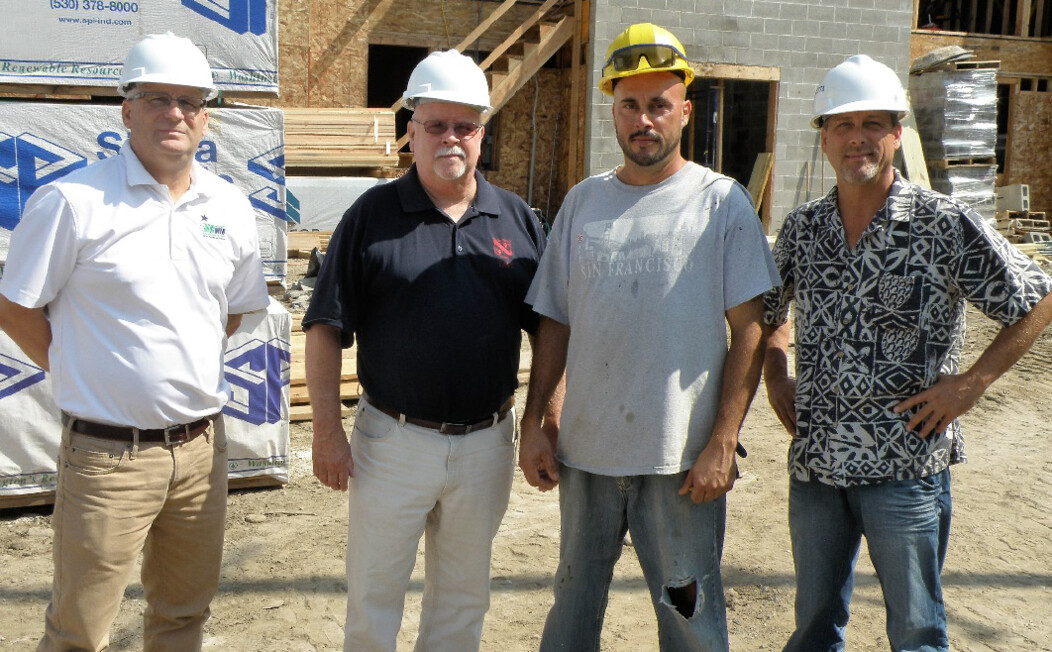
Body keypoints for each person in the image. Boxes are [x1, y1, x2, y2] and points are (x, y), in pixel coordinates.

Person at [763, 54, 1052, 652]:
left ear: (897, 133)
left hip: (906, 465)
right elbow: (767, 315)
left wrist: (971, 384)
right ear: (823, 137)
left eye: (874, 124)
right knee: (814, 624)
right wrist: (775, 372)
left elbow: (1037, 300)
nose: (857, 138)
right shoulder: (803, 229)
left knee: (916, 629)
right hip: (817, 461)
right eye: (843, 124)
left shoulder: (942, 224)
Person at [0, 32, 269, 652]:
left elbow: (229, 313)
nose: (174, 113)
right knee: (79, 631)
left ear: (206, 116)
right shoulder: (74, 202)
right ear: (126, 110)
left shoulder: (227, 206)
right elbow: (15, 306)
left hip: (202, 451)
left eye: (190, 101)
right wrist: (71, 368)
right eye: (157, 99)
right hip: (106, 461)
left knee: (182, 616)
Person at [519, 23, 780, 651]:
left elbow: (749, 329)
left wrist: (723, 440)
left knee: (690, 619)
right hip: (586, 458)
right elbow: (554, 319)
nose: (644, 120)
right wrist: (536, 418)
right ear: (613, 108)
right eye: (630, 105)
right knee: (573, 610)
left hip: (680, 465)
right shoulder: (582, 204)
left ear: (685, 111)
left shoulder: (721, 204)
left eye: (659, 104)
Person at [303, 49, 552, 652]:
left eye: (464, 126)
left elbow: (549, 329)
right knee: (374, 595)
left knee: (463, 599)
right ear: (410, 131)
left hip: (486, 444)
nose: (450, 139)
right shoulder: (372, 216)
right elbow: (325, 327)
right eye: (435, 125)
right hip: (393, 443)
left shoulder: (515, 218)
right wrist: (327, 434)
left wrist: (542, 420)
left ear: (482, 133)